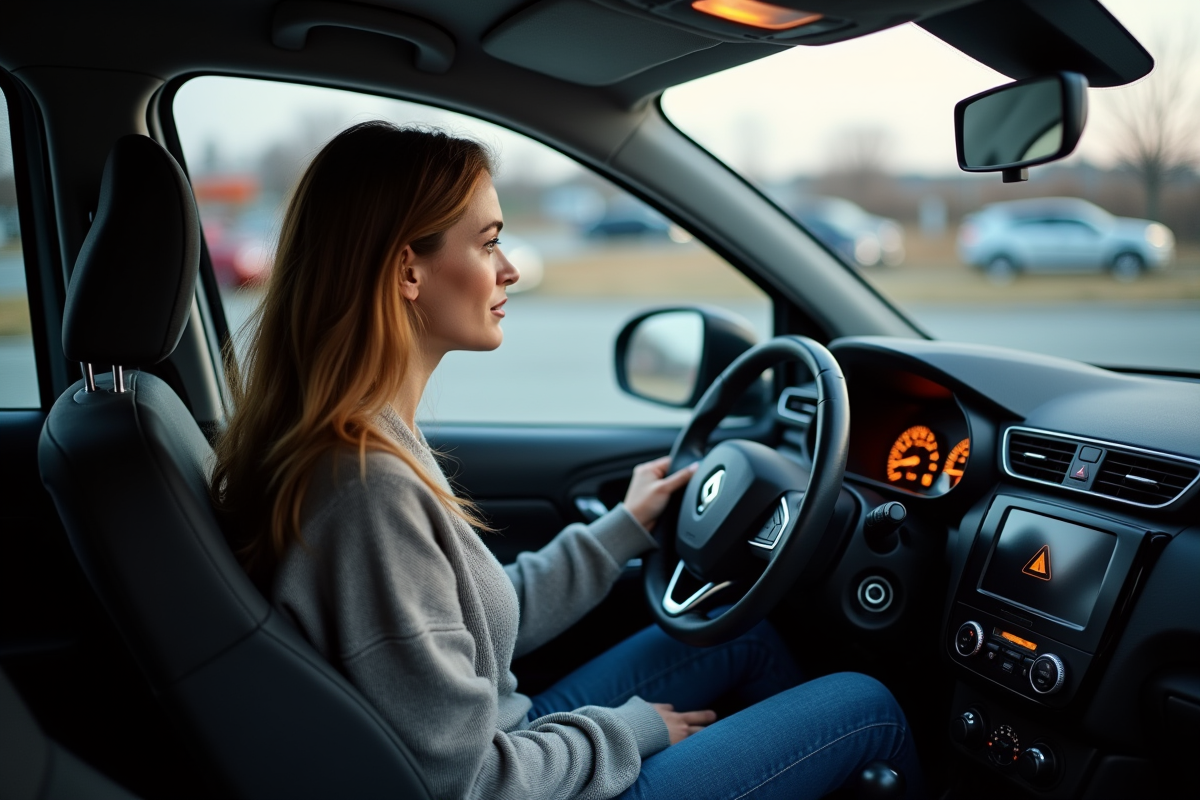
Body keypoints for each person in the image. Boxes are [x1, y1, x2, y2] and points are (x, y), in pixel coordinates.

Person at [210, 121, 923, 800]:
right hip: (506, 776)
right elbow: (471, 785)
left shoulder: (366, 439)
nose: (510, 269)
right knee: (868, 707)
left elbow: (465, 630)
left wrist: (624, 528)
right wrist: (635, 731)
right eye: (488, 243)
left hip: (504, 737)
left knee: (750, 639)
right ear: (407, 271)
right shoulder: (368, 491)